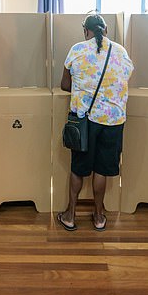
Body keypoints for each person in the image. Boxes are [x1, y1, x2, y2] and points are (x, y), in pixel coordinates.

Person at [57, 14, 133, 231]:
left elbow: (64, 84)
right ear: (106, 30)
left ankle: (70, 215)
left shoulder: (77, 50)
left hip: (85, 120)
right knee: (101, 169)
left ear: (85, 31)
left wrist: (83, 90)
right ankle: (99, 217)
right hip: (113, 120)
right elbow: (122, 81)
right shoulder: (121, 51)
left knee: (79, 168)